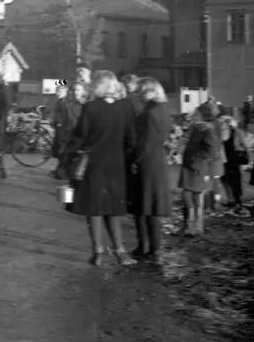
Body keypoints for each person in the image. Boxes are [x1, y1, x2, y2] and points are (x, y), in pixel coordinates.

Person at [62, 70, 137, 267]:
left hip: (93, 164)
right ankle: (120, 251)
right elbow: (132, 139)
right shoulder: (126, 108)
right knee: (113, 208)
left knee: (94, 208)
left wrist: (68, 156)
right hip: (116, 164)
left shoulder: (91, 108)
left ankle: (98, 252)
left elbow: (80, 136)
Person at [129, 78, 172, 264]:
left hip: (147, 164)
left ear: (150, 92)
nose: (138, 94)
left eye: (141, 91)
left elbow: (144, 143)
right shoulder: (162, 111)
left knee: (143, 207)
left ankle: (146, 247)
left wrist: (133, 160)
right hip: (157, 162)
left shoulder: (149, 114)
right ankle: (153, 248)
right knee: (151, 207)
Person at [179, 101, 221, 236]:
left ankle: (194, 227)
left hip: (196, 168)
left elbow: (213, 153)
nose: (194, 114)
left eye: (197, 113)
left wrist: (198, 160)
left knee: (192, 196)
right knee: (191, 195)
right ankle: (192, 227)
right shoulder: (197, 128)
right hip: (190, 166)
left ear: (202, 115)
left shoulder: (207, 130)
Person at [219, 111, 250, 212]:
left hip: (234, 160)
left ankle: (237, 202)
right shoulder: (222, 134)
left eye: (223, 123)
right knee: (223, 179)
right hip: (224, 160)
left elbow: (245, 145)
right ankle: (231, 199)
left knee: (235, 181)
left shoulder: (237, 132)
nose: (221, 125)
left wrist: (249, 157)